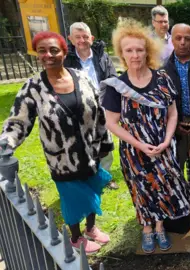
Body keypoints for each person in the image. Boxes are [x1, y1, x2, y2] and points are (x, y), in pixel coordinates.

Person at [1, 31, 113, 254]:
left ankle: (91, 228)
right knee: (72, 201)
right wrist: (5, 143)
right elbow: (17, 121)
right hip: (62, 160)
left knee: (94, 188)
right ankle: (75, 237)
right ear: (37, 55)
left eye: (54, 50)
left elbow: (99, 112)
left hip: (92, 152)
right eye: (42, 51)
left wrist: (105, 144)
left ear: (64, 52)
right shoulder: (32, 88)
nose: (48, 55)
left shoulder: (81, 77)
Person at [101, 19, 190, 254]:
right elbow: (111, 123)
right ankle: (147, 229)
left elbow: (173, 112)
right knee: (141, 189)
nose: (135, 55)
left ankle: (161, 226)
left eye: (139, 49)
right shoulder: (117, 87)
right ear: (122, 54)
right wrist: (139, 144)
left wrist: (166, 140)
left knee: (163, 187)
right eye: (129, 50)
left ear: (147, 51)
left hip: (163, 147)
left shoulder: (162, 79)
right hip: (134, 152)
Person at [64, 22, 119, 190]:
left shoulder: (102, 55)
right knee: (83, 144)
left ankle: (104, 176)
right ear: (71, 39)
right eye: (78, 37)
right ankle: (86, 177)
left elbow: (112, 77)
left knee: (105, 144)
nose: (82, 40)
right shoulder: (66, 59)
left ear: (91, 38)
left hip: (102, 107)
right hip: (79, 109)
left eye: (85, 37)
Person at [164, 24, 190, 182]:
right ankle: (180, 203)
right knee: (175, 167)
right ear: (171, 40)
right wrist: (174, 123)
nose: (183, 42)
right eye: (178, 38)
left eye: (187, 38)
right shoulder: (163, 69)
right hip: (174, 125)